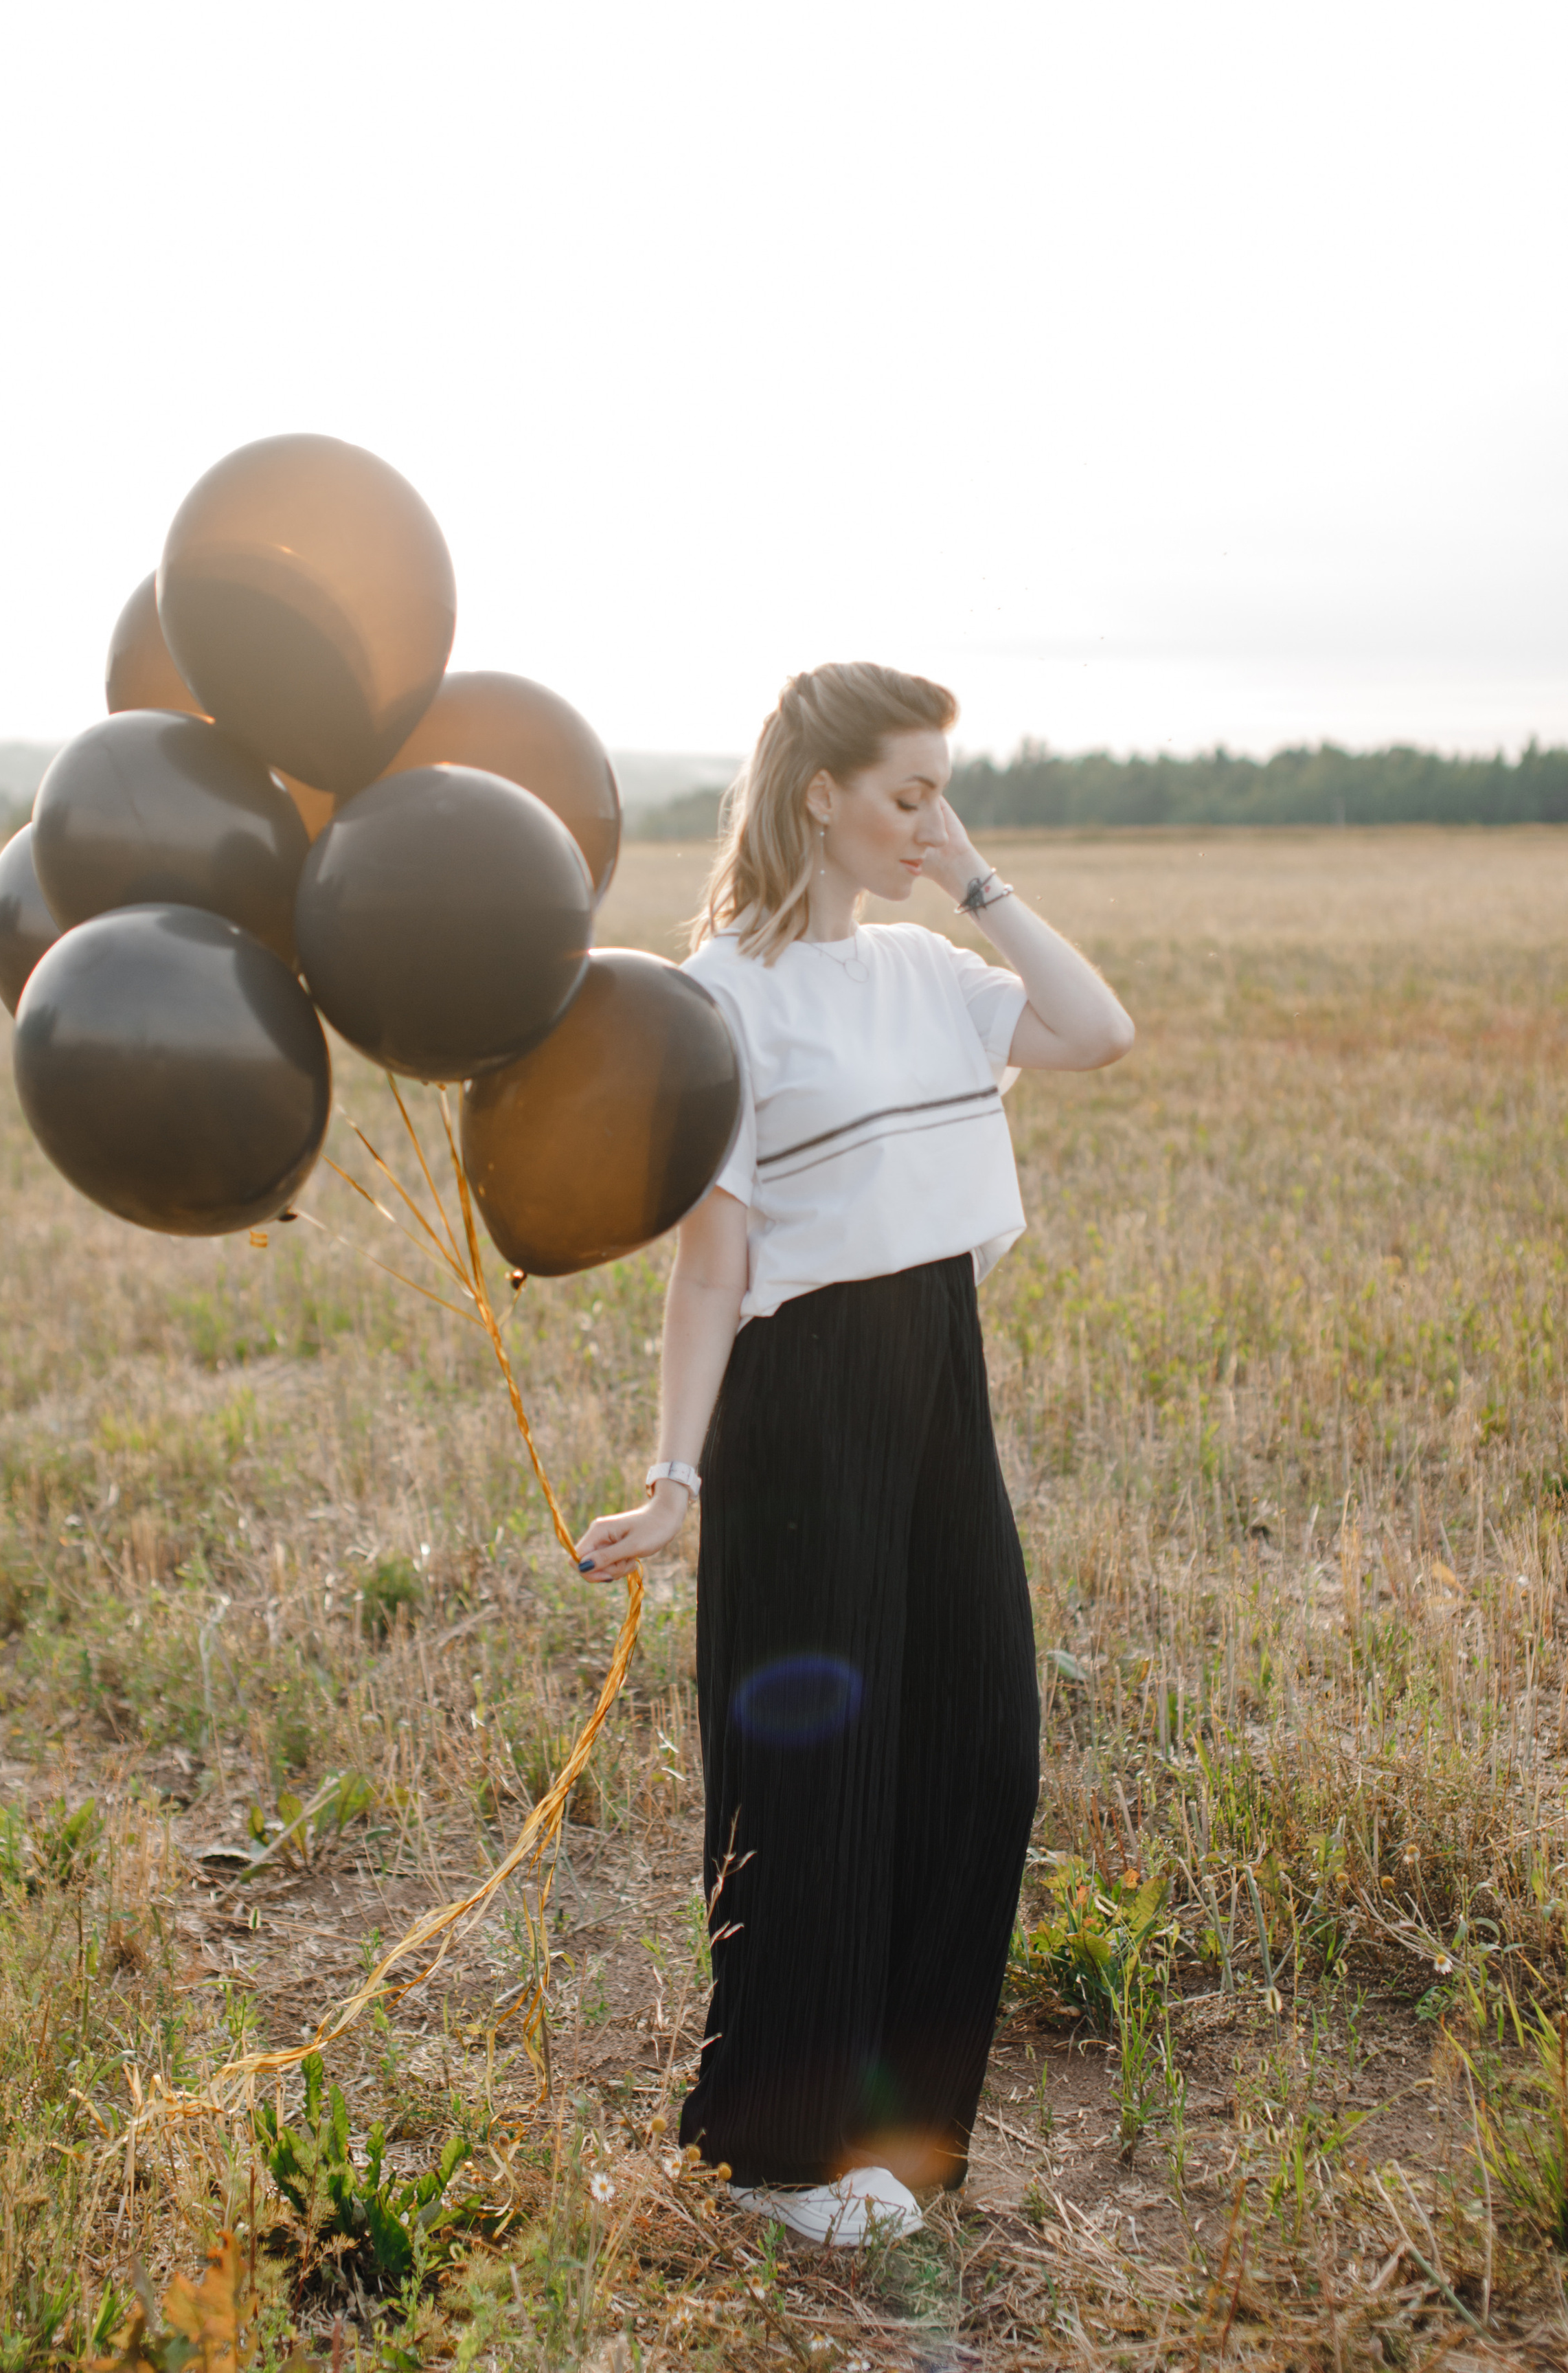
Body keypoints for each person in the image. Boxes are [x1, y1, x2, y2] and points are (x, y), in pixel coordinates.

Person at [574, 664, 1133, 2247]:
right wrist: (675, 1482)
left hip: (938, 1381)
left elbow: (1096, 1030)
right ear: (818, 794)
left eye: (941, 794)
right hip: (802, 1400)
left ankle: (894, 2140)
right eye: (906, 794)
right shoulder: (718, 1002)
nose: (927, 821)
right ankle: (770, 2162)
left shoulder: (922, 968)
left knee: (978, 1749)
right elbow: (710, 1269)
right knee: (811, 1782)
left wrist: (973, 878)